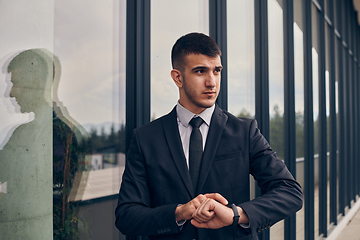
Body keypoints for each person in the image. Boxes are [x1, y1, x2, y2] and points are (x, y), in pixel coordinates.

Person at [115, 32, 303, 240]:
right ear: (178, 77)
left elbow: (289, 192)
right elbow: (126, 215)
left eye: (217, 71)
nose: (212, 82)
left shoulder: (244, 131)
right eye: (200, 71)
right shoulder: (146, 139)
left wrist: (235, 214)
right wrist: (178, 212)